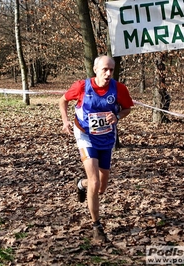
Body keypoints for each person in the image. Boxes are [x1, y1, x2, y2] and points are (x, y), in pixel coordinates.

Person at [59, 55, 134, 242]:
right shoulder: (82, 87)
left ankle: (81, 184)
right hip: (85, 135)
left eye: (111, 70)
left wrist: (117, 116)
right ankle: (97, 226)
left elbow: (127, 108)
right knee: (95, 182)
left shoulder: (119, 89)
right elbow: (62, 100)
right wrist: (65, 121)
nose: (108, 73)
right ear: (95, 69)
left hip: (106, 137)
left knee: (101, 185)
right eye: (104, 69)